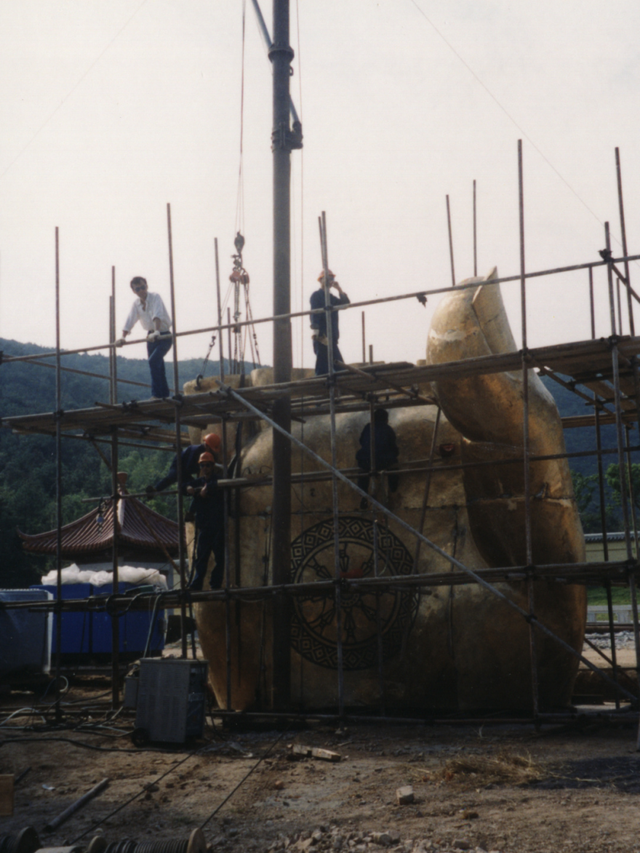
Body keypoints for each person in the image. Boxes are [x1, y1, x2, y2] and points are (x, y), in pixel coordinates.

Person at [116, 276, 173, 399]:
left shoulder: (155, 297)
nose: (141, 291)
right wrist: (122, 337)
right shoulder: (136, 304)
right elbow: (130, 320)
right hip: (150, 337)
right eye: (138, 289)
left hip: (163, 335)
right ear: (134, 291)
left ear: (147, 286)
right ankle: (164, 394)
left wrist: (157, 331)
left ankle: (157, 394)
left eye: (143, 287)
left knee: (153, 361)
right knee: (158, 364)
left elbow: (158, 314)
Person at [184, 451, 225, 591]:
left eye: (207, 465)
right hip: (204, 526)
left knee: (219, 558)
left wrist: (207, 491)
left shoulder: (217, 480)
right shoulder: (200, 482)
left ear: (212, 466)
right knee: (201, 558)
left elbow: (216, 486)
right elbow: (186, 485)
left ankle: (215, 584)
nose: (205, 468)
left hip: (217, 526)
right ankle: (196, 585)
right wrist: (188, 487)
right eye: (202, 465)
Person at [148, 433, 222, 495]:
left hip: (186, 469)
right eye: (211, 448)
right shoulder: (196, 451)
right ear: (206, 445)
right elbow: (189, 467)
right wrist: (200, 471)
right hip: (179, 467)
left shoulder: (204, 451)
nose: (212, 451)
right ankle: (155, 489)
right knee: (174, 477)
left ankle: (192, 509)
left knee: (196, 486)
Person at [356, 409, 399, 508]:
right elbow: (393, 446)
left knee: (362, 471)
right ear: (386, 419)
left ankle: (363, 495)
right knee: (394, 466)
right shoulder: (387, 429)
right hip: (383, 461)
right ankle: (392, 491)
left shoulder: (368, 427)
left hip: (366, 461)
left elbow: (361, 441)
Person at [309, 269, 350, 375]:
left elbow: (346, 304)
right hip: (322, 337)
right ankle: (321, 387)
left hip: (332, 337)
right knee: (323, 368)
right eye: (328, 278)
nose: (330, 281)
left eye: (332, 279)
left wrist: (339, 289)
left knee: (339, 367)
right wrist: (317, 335)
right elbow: (314, 314)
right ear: (320, 280)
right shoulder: (316, 296)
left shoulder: (331, 298)